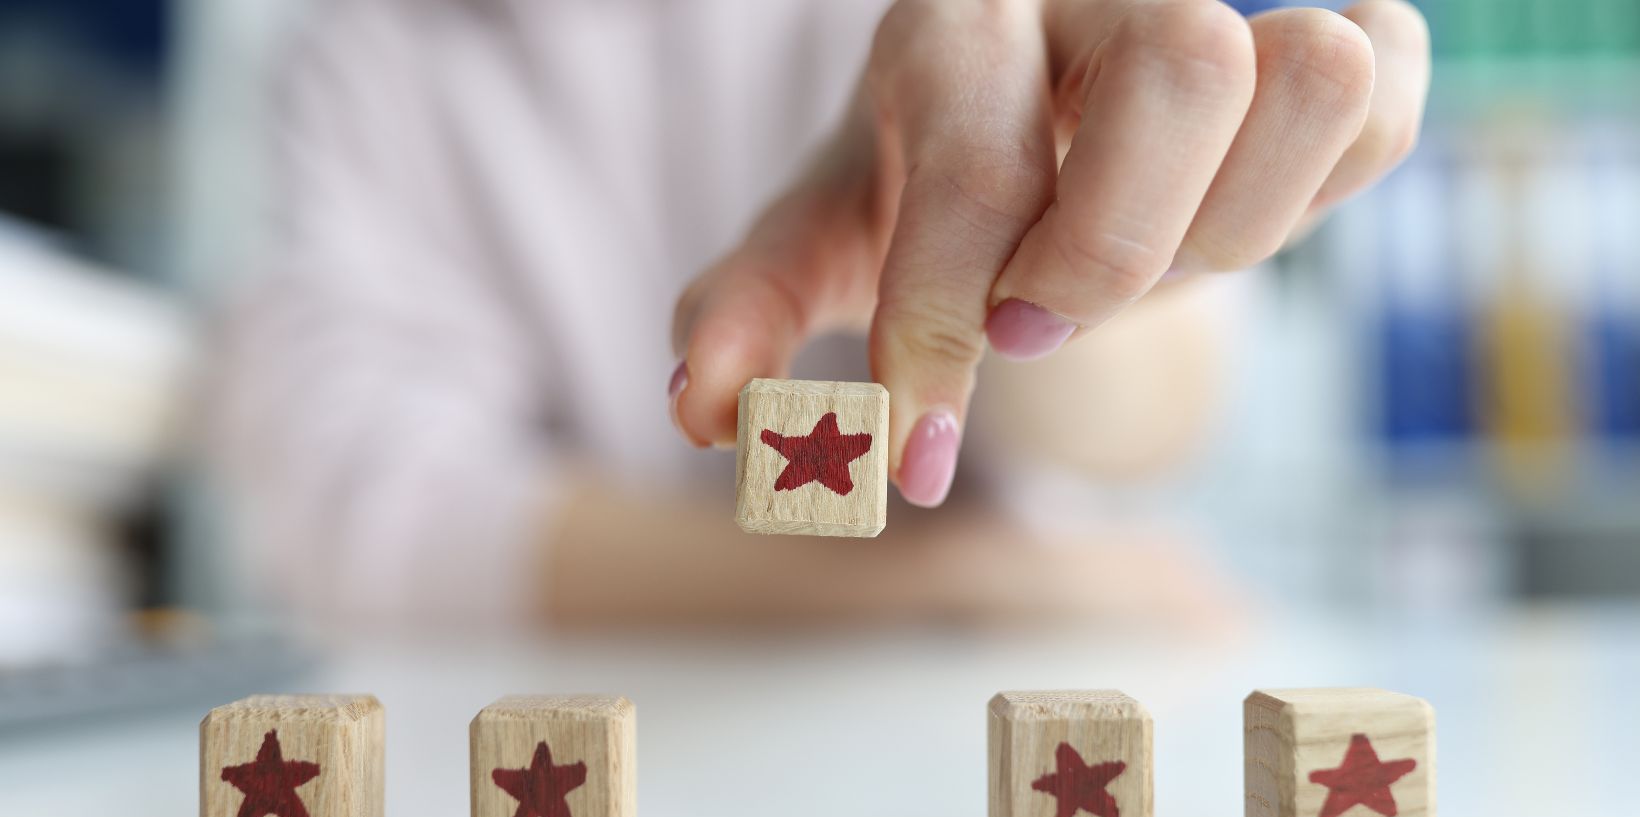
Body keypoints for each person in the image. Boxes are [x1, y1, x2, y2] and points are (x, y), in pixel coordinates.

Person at [211, 0, 1429, 634]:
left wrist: (1062, 254)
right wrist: (960, 588)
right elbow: (372, 518)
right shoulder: (364, 51)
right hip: (587, 726)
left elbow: (1170, 417)